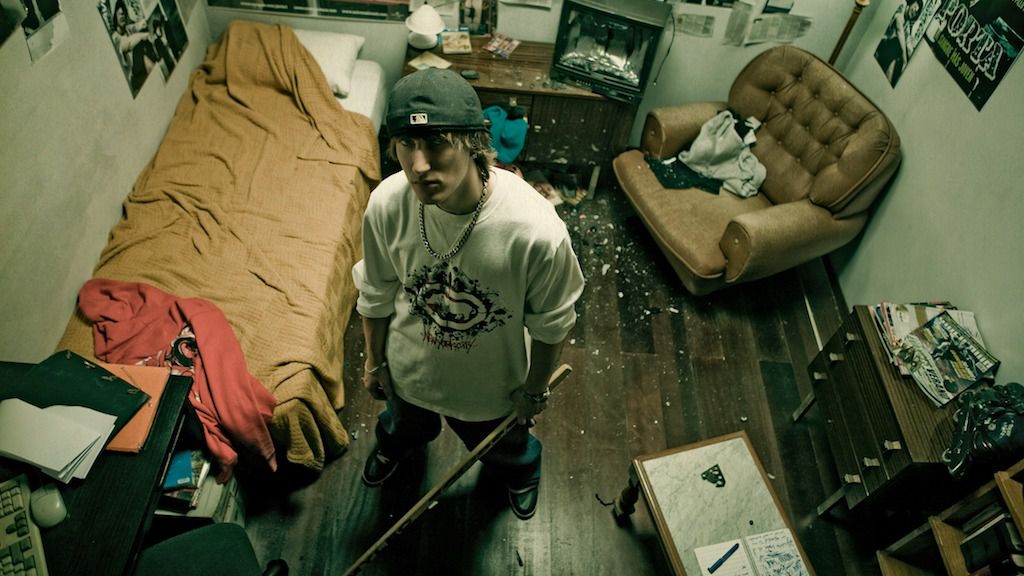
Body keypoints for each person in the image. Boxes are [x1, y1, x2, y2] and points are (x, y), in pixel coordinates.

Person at [352, 68, 585, 521]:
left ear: (473, 143)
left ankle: (521, 472)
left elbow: (553, 322)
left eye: (437, 143)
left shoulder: (534, 230)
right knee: (401, 428)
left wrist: (534, 391)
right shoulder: (386, 204)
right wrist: (373, 361)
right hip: (409, 371)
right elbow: (375, 292)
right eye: (406, 143)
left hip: (492, 387)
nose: (419, 165)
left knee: (504, 448)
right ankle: (396, 448)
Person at [110, 0, 159, 93]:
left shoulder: (128, 29)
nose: (122, 16)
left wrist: (144, 18)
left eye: (124, 14)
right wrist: (142, 36)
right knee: (138, 47)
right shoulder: (115, 38)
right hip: (132, 78)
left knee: (144, 47)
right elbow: (127, 44)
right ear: (115, 17)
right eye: (120, 15)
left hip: (140, 68)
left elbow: (139, 25)